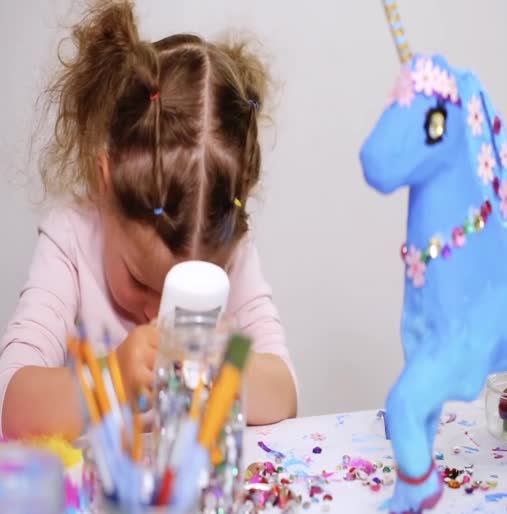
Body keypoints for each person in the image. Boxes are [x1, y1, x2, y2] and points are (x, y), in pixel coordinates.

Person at [0, 0, 297, 440]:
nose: (159, 313)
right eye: (141, 281)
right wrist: (110, 381)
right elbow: (12, 403)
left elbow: (286, 395)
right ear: (105, 184)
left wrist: (230, 369)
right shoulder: (71, 238)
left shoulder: (230, 252)